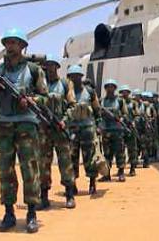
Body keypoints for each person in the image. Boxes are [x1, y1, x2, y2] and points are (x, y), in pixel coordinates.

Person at [0, 28, 47, 233]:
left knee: (30, 169)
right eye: (7, 43)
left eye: (14, 43)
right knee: (5, 171)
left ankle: (31, 213)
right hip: (4, 125)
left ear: (22, 46)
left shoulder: (34, 70)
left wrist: (30, 100)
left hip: (26, 126)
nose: (9, 46)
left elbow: (45, 98)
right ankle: (9, 213)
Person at [38, 55, 76, 210]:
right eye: (47, 65)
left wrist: (64, 121)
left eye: (53, 65)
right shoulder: (40, 85)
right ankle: (44, 196)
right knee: (43, 164)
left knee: (65, 163)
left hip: (60, 129)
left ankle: (69, 195)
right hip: (44, 130)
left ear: (57, 67)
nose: (50, 68)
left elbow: (73, 105)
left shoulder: (65, 84)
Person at [65, 65, 100, 195]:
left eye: (77, 76)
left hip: (87, 129)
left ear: (81, 77)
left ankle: (92, 183)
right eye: (72, 77)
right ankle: (72, 184)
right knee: (71, 157)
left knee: (90, 157)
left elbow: (97, 109)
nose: (74, 79)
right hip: (72, 129)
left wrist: (99, 125)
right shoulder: (67, 92)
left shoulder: (90, 92)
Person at [99, 79, 129, 182]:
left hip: (117, 130)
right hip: (106, 130)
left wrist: (121, 119)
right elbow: (98, 114)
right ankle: (106, 174)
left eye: (112, 87)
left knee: (119, 151)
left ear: (115, 88)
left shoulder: (120, 101)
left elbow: (125, 113)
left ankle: (121, 172)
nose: (110, 89)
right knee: (107, 153)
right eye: (108, 87)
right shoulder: (101, 101)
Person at [119, 85, 139, 176]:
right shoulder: (119, 102)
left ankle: (132, 168)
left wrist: (134, 122)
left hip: (130, 127)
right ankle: (121, 169)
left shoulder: (133, 103)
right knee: (121, 149)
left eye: (126, 92)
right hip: (121, 128)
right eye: (123, 92)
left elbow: (137, 114)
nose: (124, 93)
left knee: (132, 149)